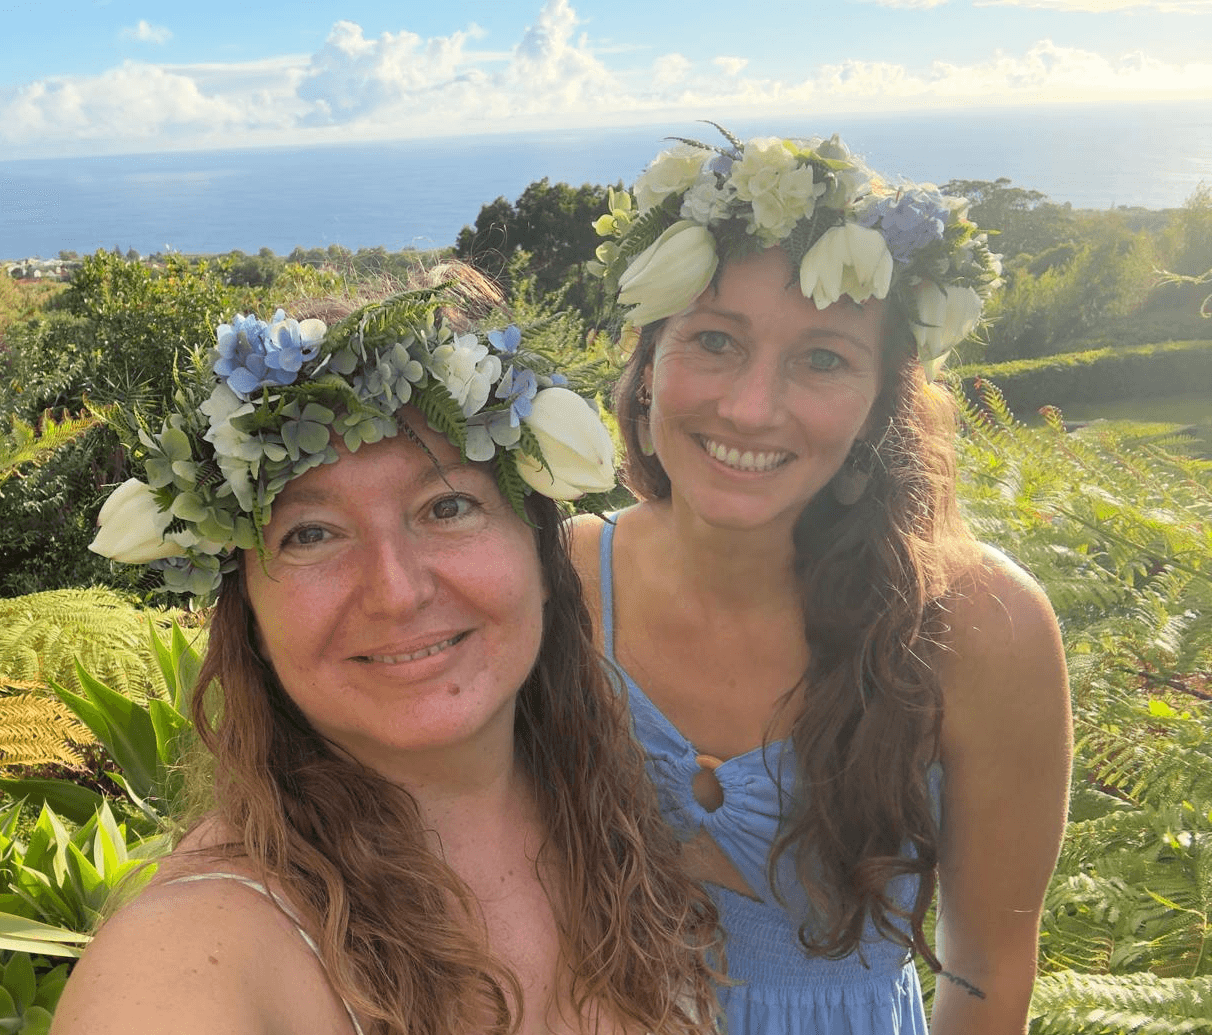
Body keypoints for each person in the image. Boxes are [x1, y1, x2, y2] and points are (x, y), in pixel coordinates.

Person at [54, 268, 721, 1035]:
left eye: (448, 505)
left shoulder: (619, 821)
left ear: (542, 555)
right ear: (251, 619)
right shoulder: (192, 953)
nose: (396, 591)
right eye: (311, 533)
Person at [571, 129, 1073, 1034]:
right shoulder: (562, 582)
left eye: (824, 357)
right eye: (715, 340)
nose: (753, 407)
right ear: (647, 370)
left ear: (881, 405)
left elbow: (991, 971)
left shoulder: (981, 628)